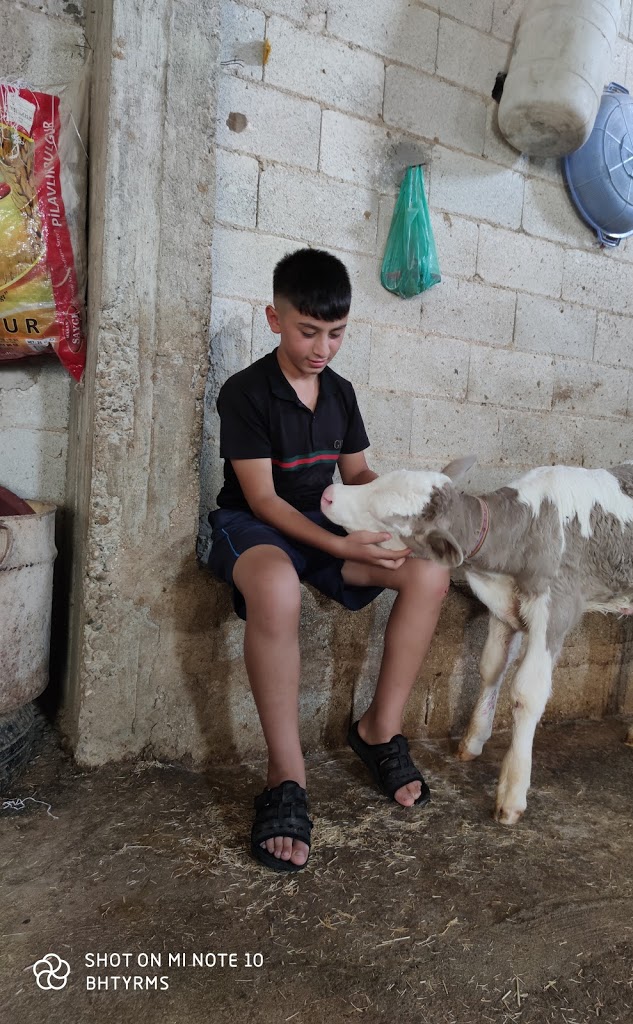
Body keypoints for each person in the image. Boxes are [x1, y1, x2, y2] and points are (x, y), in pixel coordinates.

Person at [207, 248, 450, 873]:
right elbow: (261, 498)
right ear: (274, 318)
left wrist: (394, 509)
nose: (322, 347)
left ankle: (378, 730)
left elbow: (358, 473)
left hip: (324, 523)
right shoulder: (246, 393)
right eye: (307, 330)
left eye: (335, 333)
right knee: (278, 589)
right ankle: (286, 774)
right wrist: (342, 545)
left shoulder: (340, 393)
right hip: (255, 526)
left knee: (428, 568)